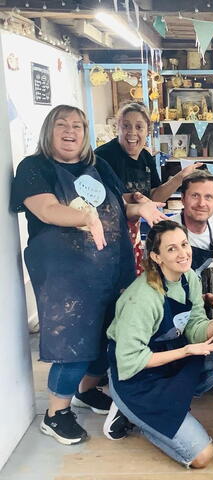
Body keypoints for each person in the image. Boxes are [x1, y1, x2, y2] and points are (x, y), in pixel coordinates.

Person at [10, 105, 165, 445]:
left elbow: (120, 205)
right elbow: (47, 210)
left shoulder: (98, 165)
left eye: (78, 125)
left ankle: (86, 391)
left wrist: (141, 208)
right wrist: (85, 219)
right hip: (66, 273)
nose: (71, 131)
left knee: (107, 332)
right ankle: (56, 413)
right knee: (73, 341)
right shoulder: (34, 167)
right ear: (48, 130)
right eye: (62, 124)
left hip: (111, 265)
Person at [103, 220, 213, 468]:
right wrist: (187, 350)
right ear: (156, 257)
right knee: (202, 457)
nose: (183, 253)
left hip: (168, 360)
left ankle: (171, 404)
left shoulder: (189, 278)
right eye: (171, 249)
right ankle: (130, 412)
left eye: (184, 244)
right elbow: (131, 360)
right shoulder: (143, 298)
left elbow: (197, 332)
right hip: (135, 379)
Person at [95, 102, 201, 274]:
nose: (132, 133)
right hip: (105, 233)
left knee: (132, 279)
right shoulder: (103, 156)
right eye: (126, 126)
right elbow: (101, 201)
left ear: (147, 131)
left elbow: (155, 196)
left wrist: (179, 178)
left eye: (139, 127)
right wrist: (136, 201)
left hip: (132, 232)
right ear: (118, 128)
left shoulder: (145, 157)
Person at [170, 170, 213, 281]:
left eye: (208, 197)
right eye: (195, 196)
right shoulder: (167, 230)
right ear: (182, 199)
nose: (201, 203)